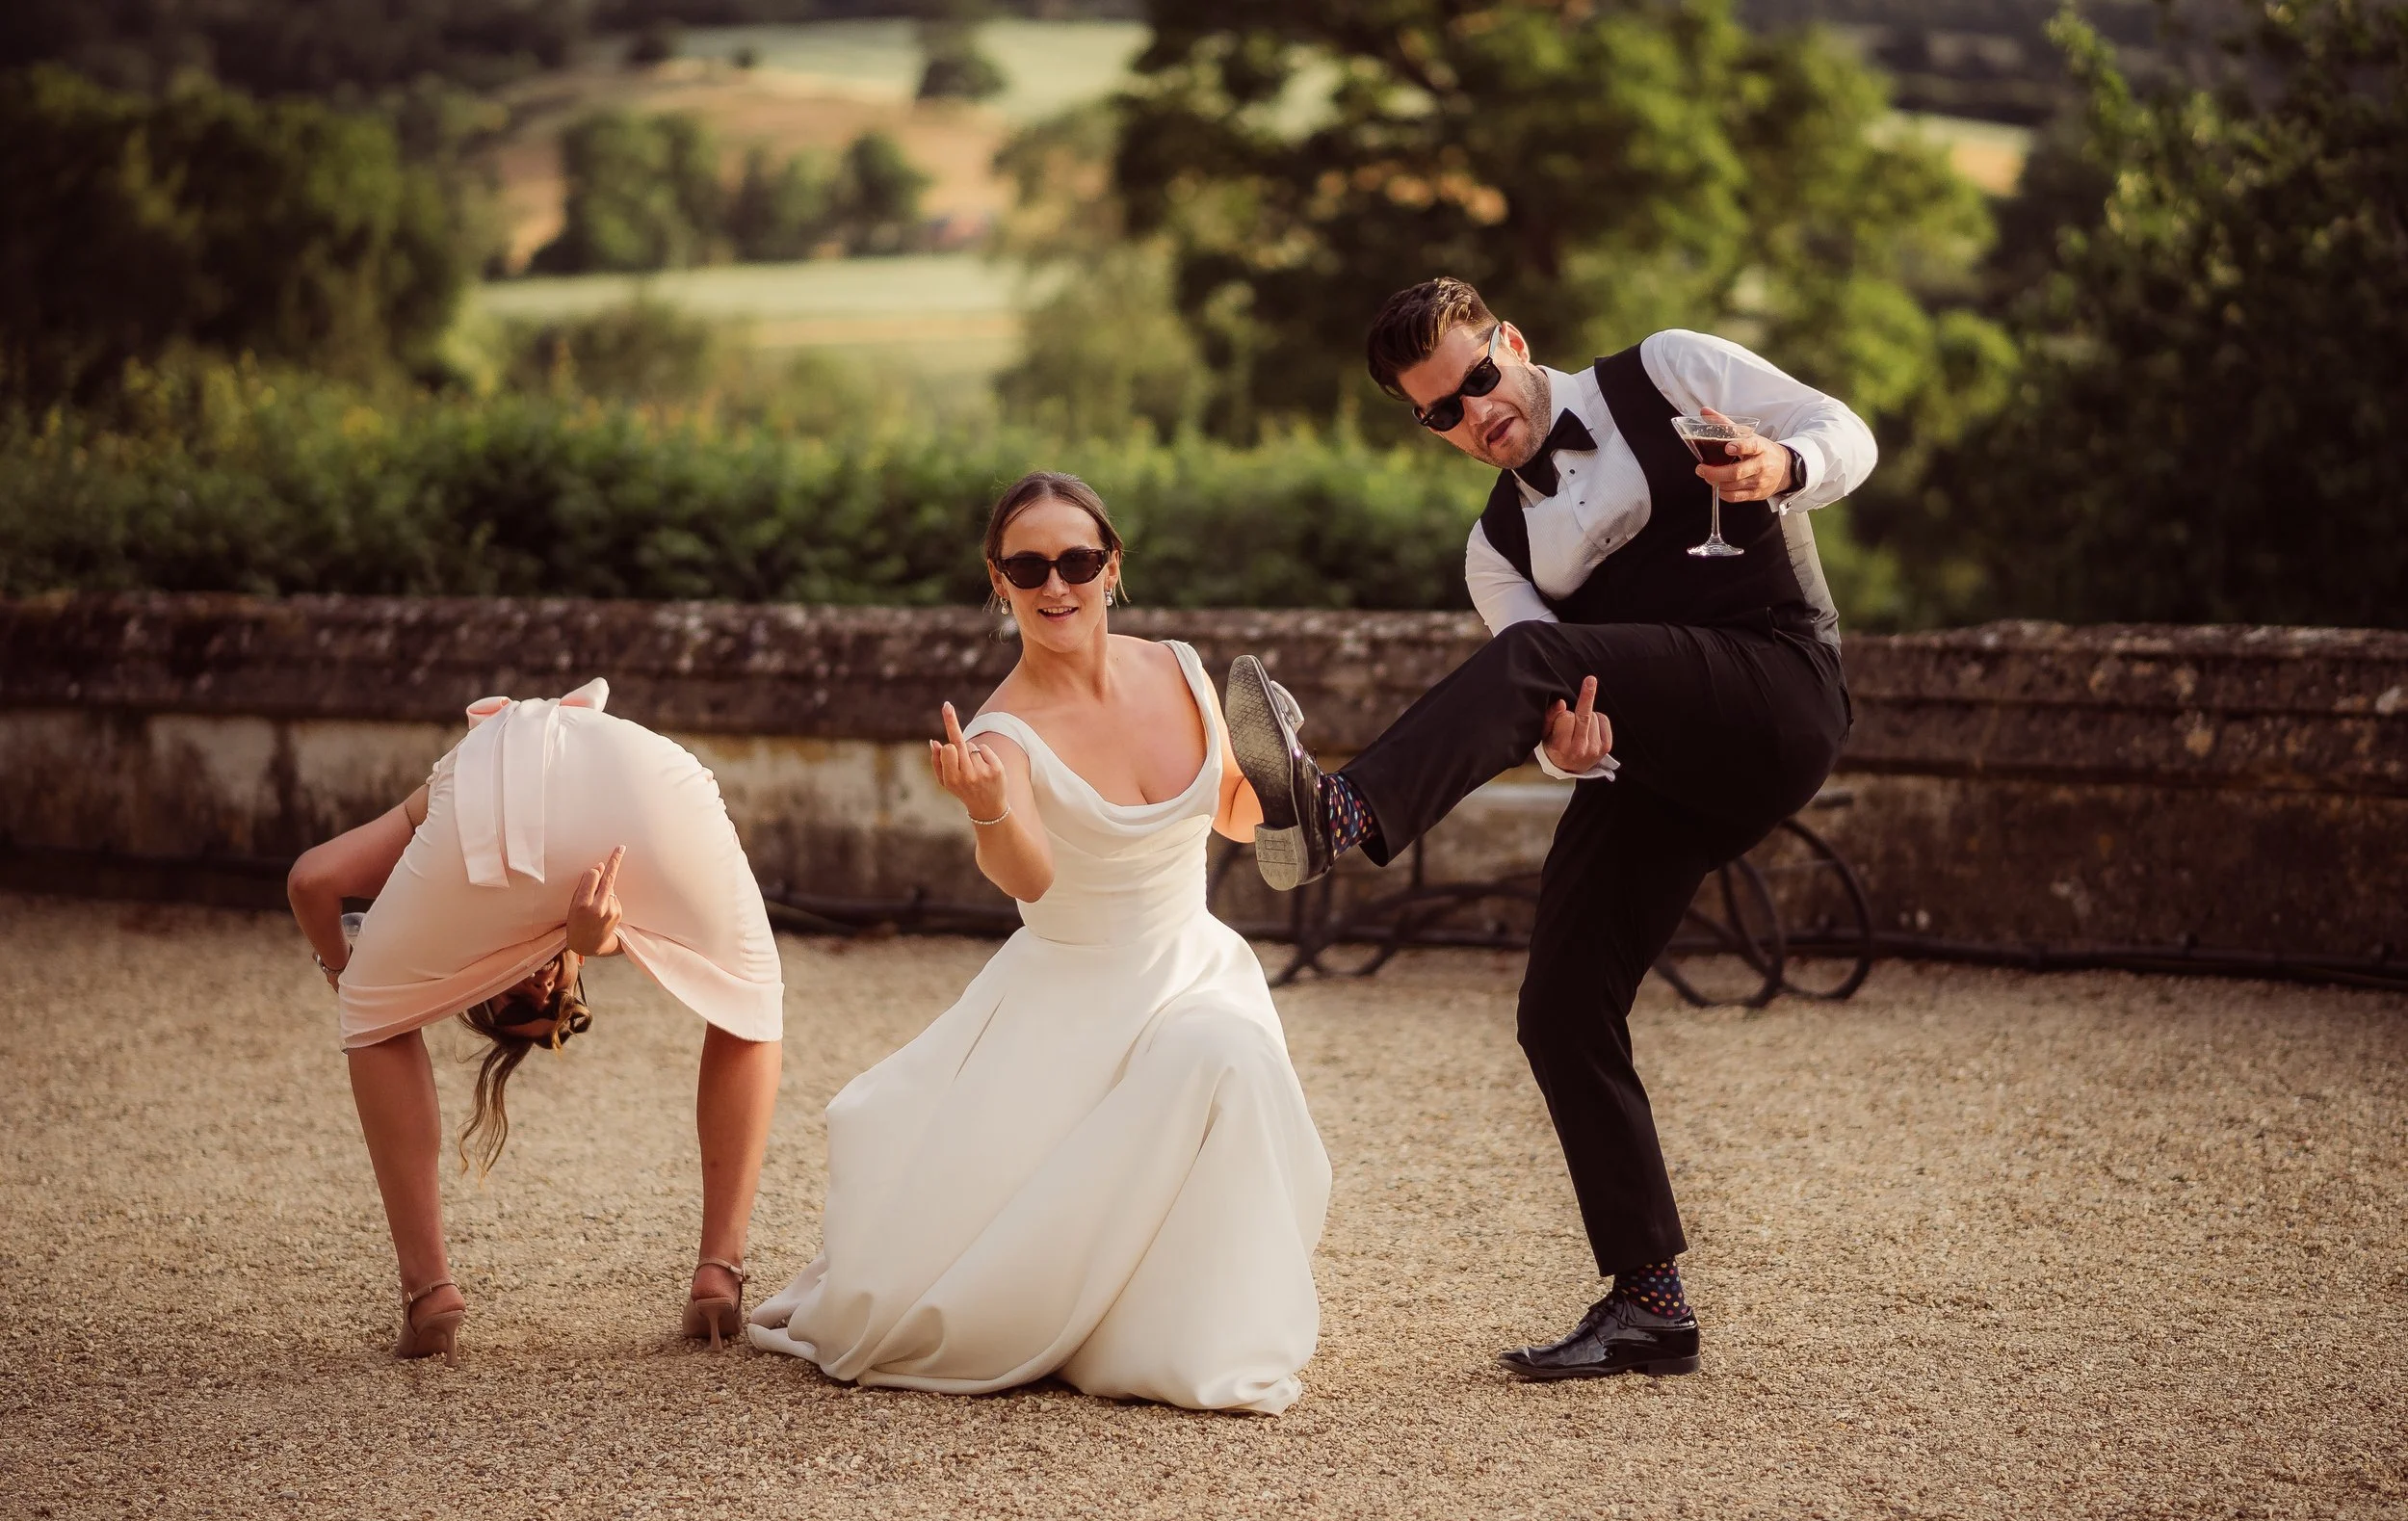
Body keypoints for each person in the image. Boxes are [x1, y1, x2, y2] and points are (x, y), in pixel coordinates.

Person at [1222, 278, 1873, 1381]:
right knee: (1560, 1007)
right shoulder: (1497, 551)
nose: (1475, 412)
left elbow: (1841, 429)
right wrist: (1574, 752)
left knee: (1526, 660)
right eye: (1441, 411)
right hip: (1662, 760)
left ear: (1511, 342)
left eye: (1478, 377)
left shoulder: (1666, 368)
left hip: (1778, 690)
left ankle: (1339, 809)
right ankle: (1650, 1303)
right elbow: (1553, 709)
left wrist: (1781, 469)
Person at [746, 472, 1331, 1414]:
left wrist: (1286, 777)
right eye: (1029, 565)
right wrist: (985, 808)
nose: (1055, 583)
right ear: (998, 580)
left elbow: (1229, 810)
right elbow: (1027, 876)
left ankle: (1195, 1325)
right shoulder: (1001, 731)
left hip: (1194, 964)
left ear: (1112, 566)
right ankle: (1112, 1325)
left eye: (1076, 559)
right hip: (1076, 999)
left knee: (1226, 1055)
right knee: (1212, 1061)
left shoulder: (1181, 666)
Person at [288, 679, 784, 1363]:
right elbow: (607, 926)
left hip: (530, 802)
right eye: (555, 998)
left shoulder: (453, 793)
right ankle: (719, 1269)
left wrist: (346, 974)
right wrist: (589, 939)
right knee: (750, 997)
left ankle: (426, 1287)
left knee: (373, 1015)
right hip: (658, 788)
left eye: (517, 1001)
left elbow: (313, 881)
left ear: (479, 989)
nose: (541, 983)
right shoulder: (565, 922)